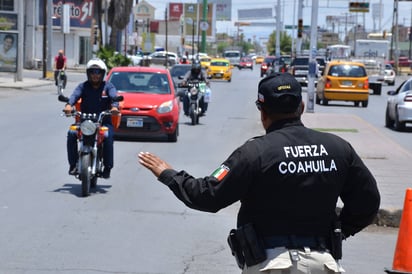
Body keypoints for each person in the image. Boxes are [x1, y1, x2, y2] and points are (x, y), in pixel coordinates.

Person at [138, 73, 380, 274]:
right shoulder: (338, 148)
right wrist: (338, 233)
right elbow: (368, 203)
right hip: (324, 264)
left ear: (262, 111)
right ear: (301, 107)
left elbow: (207, 196)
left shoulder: (254, 153)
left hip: (271, 266)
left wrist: (168, 174)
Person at [63, 58, 119, 179]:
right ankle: (73, 165)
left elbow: (114, 97)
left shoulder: (108, 87)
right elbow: (74, 96)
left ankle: (108, 167)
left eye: (98, 72)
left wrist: (114, 107)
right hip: (84, 121)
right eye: (92, 72)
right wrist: (68, 105)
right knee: (72, 133)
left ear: (102, 73)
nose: (95, 75)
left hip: (103, 121)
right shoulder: (83, 86)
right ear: (88, 73)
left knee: (108, 137)